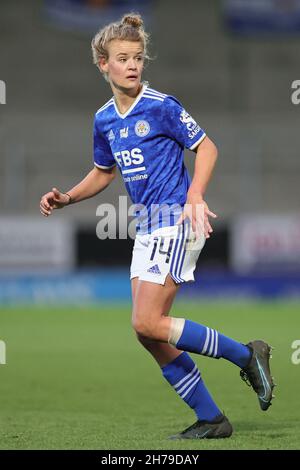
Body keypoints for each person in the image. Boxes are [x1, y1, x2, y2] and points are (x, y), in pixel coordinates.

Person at [39, 13, 275, 440]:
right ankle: (212, 418)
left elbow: (206, 147)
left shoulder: (161, 106)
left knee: (147, 322)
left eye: (138, 57)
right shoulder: (104, 119)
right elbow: (103, 172)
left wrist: (196, 194)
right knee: (147, 333)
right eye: (122, 58)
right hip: (147, 227)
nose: (132, 65)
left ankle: (246, 356)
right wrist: (68, 196)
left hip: (178, 219)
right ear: (102, 64)